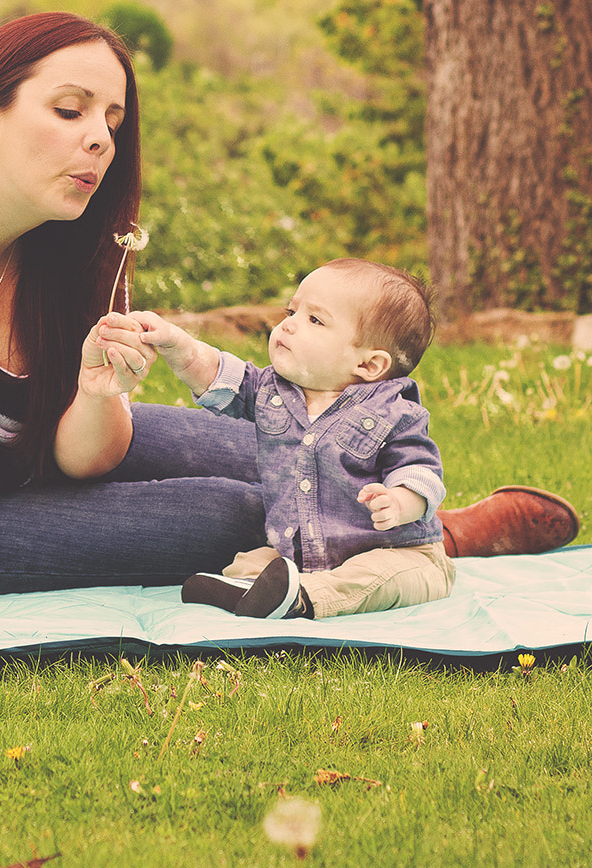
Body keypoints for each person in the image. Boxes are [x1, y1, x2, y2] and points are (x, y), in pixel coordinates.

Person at [0, 11, 580, 622]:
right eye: (70, 111)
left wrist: (94, 395)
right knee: (235, 509)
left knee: (282, 441)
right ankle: (439, 540)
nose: (100, 141)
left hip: (12, 462)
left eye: (113, 122)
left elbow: (86, 456)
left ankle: (422, 524)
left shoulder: (64, 246)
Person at [135, 260, 457, 620]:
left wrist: (399, 502)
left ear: (369, 365)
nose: (288, 323)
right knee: (251, 562)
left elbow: (422, 472)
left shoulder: (393, 413)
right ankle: (255, 591)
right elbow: (218, 376)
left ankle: (302, 599)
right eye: (292, 310)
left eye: (314, 320)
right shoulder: (273, 391)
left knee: (376, 578)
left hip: (401, 553)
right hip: (305, 556)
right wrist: (179, 346)